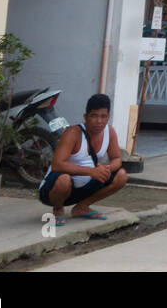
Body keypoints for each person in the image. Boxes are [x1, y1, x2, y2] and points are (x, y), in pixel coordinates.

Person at [38, 93, 128, 226]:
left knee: (121, 175)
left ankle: (82, 207)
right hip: (54, 191)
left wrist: (107, 169)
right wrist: (91, 172)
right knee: (64, 180)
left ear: (108, 117)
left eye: (103, 116)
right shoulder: (73, 133)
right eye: (94, 116)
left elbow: (116, 159)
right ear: (86, 117)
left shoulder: (110, 132)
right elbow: (57, 165)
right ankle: (58, 209)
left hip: (84, 188)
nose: (99, 121)